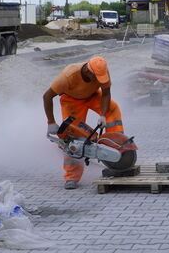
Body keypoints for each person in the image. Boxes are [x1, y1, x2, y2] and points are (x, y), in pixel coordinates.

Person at [43, 56, 124, 189]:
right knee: (73, 136)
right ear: (87, 70)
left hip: (92, 95)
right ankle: (71, 177)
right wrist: (51, 122)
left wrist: (103, 115)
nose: (99, 80)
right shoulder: (68, 76)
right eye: (96, 77)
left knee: (113, 109)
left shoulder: (102, 71)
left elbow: (106, 92)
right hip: (71, 100)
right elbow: (47, 96)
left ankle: (117, 152)